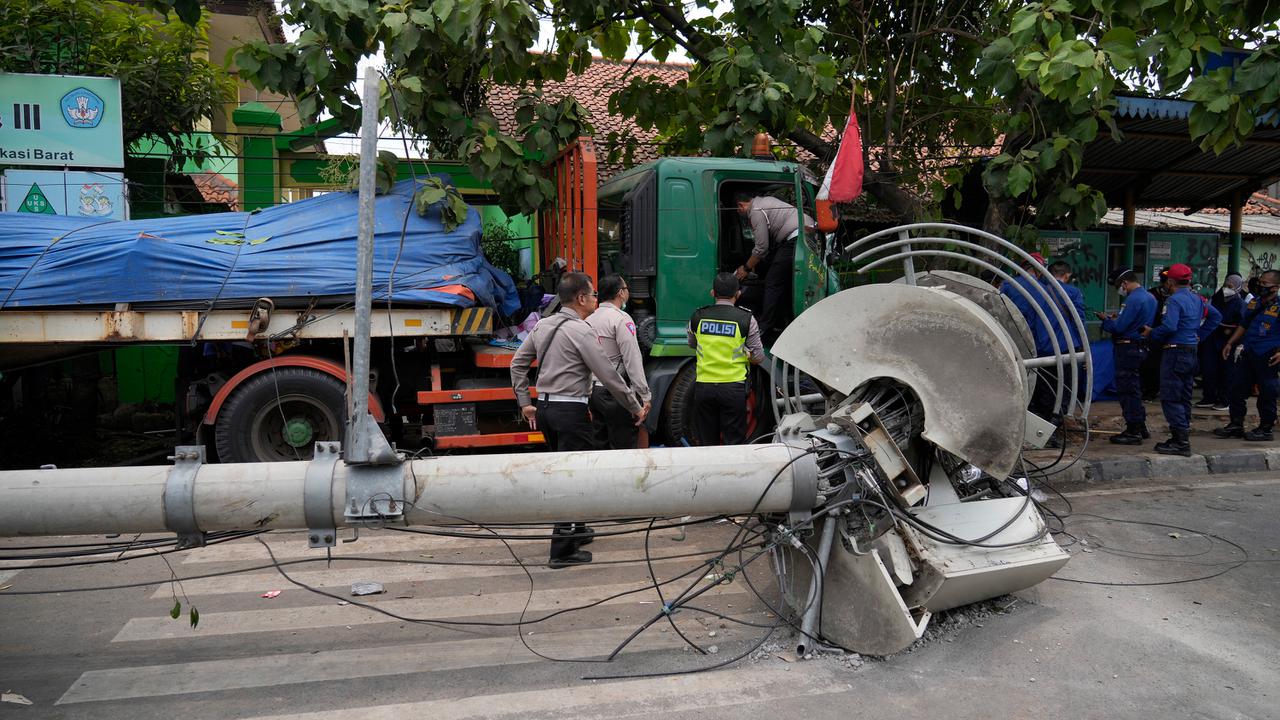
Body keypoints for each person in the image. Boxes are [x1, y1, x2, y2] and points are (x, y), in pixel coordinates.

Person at [510, 272, 648, 568]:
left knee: (565, 472)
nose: (597, 299)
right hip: (570, 413)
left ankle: (577, 529)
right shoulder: (581, 331)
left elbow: (517, 363)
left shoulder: (543, 325)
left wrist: (525, 402)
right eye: (594, 295)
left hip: (545, 411)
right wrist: (635, 406)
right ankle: (561, 551)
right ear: (582, 298)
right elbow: (609, 376)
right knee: (571, 479)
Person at [687, 272, 765, 446]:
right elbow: (758, 357)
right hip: (733, 389)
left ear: (713, 293)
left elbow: (692, 344)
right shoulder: (746, 319)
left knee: (707, 444)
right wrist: (746, 354)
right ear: (738, 294)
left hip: (704, 388)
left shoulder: (697, 316)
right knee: (734, 444)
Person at [1142, 263, 1209, 456]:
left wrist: (1152, 333)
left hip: (1175, 351)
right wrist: (1198, 335)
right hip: (1191, 351)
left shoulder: (1173, 300)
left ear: (1171, 281)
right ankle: (1181, 435)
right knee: (1184, 396)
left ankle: (1180, 442)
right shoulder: (1198, 299)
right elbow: (1214, 316)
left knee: (1171, 397)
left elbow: (1170, 327)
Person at [733, 193, 814, 343]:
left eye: (737, 211)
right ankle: (782, 322)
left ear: (741, 205)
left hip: (796, 237)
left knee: (773, 282)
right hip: (804, 233)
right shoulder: (764, 202)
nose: (740, 214)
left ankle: (764, 327)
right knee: (781, 279)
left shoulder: (755, 211)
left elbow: (761, 248)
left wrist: (746, 268)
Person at [585, 274, 652, 450]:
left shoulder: (588, 319)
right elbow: (632, 359)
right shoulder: (621, 318)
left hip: (593, 392)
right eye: (626, 289)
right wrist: (644, 395)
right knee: (623, 447)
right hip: (614, 393)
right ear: (620, 293)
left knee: (601, 445)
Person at [1215, 269, 1280, 442]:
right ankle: (1236, 424)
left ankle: (1266, 428)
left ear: (1275, 288)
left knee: (1267, 393)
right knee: (1236, 389)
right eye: (1260, 282)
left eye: (1265, 284)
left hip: (1268, 356)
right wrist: (1230, 343)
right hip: (1249, 352)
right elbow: (1243, 325)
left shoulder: (1279, 307)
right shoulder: (1255, 303)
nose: (1260, 285)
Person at [1097, 267, 1157, 444]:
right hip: (1140, 347)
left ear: (1124, 283)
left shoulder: (1133, 300)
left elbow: (1119, 328)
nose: (1119, 290)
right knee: (1135, 388)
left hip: (1127, 349)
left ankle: (1133, 431)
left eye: (1118, 285)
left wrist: (1106, 321)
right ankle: (1140, 425)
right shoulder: (1149, 297)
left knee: (1127, 390)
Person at [1197, 274, 1246, 411]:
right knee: (1209, 368)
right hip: (1212, 338)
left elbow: (1242, 324)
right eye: (1226, 285)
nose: (1226, 289)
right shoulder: (1217, 298)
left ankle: (1224, 399)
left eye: (1230, 286)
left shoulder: (1239, 304)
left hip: (1227, 340)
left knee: (1226, 370)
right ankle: (1209, 397)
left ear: (1237, 287)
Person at [1140, 269, 1172, 400]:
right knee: (1151, 364)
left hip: (1169, 336)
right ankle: (1150, 390)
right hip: (1153, 335)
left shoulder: (1178, 297)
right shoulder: (1151, 294)